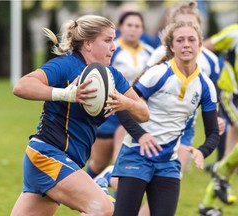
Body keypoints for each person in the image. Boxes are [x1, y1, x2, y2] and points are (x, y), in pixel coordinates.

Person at [10, 15, 151, 216]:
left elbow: (144, 113)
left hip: (68, 161)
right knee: (103, 209)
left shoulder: (113, 77)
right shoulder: (66, 65)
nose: (114, 46)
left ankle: (101, 181)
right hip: (47, 155)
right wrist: (67, 94)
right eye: (108, 40)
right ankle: (102, 181)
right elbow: (21, 86)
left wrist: (125, 102)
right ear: (88, 44)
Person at [112, 21, 220, 216]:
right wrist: (141, 135)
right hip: (136, 154)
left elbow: (213, 132)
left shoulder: (205, 85)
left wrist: (202, 151)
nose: (186, 44)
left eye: (191, 40)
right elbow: (121, 106)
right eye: (180, 40)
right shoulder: (158, 73)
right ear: (171, 46)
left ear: (200, 45)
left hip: (168, 162)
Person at [86, 11, 153, 180]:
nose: (133, 29)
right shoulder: (112, 48)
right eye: (129, 25)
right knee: (99, 162)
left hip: (134, 111)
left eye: (137, 26)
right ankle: (89, 192)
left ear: (142, 30)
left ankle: (118, 203)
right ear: (121, 27)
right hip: (110, 112)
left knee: (123, 162)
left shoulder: (149, 53)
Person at [199, 23, 238, 216]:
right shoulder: (234, 33)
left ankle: (207, 203)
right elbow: (204, 48)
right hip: (231, 93)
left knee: (231, 155)